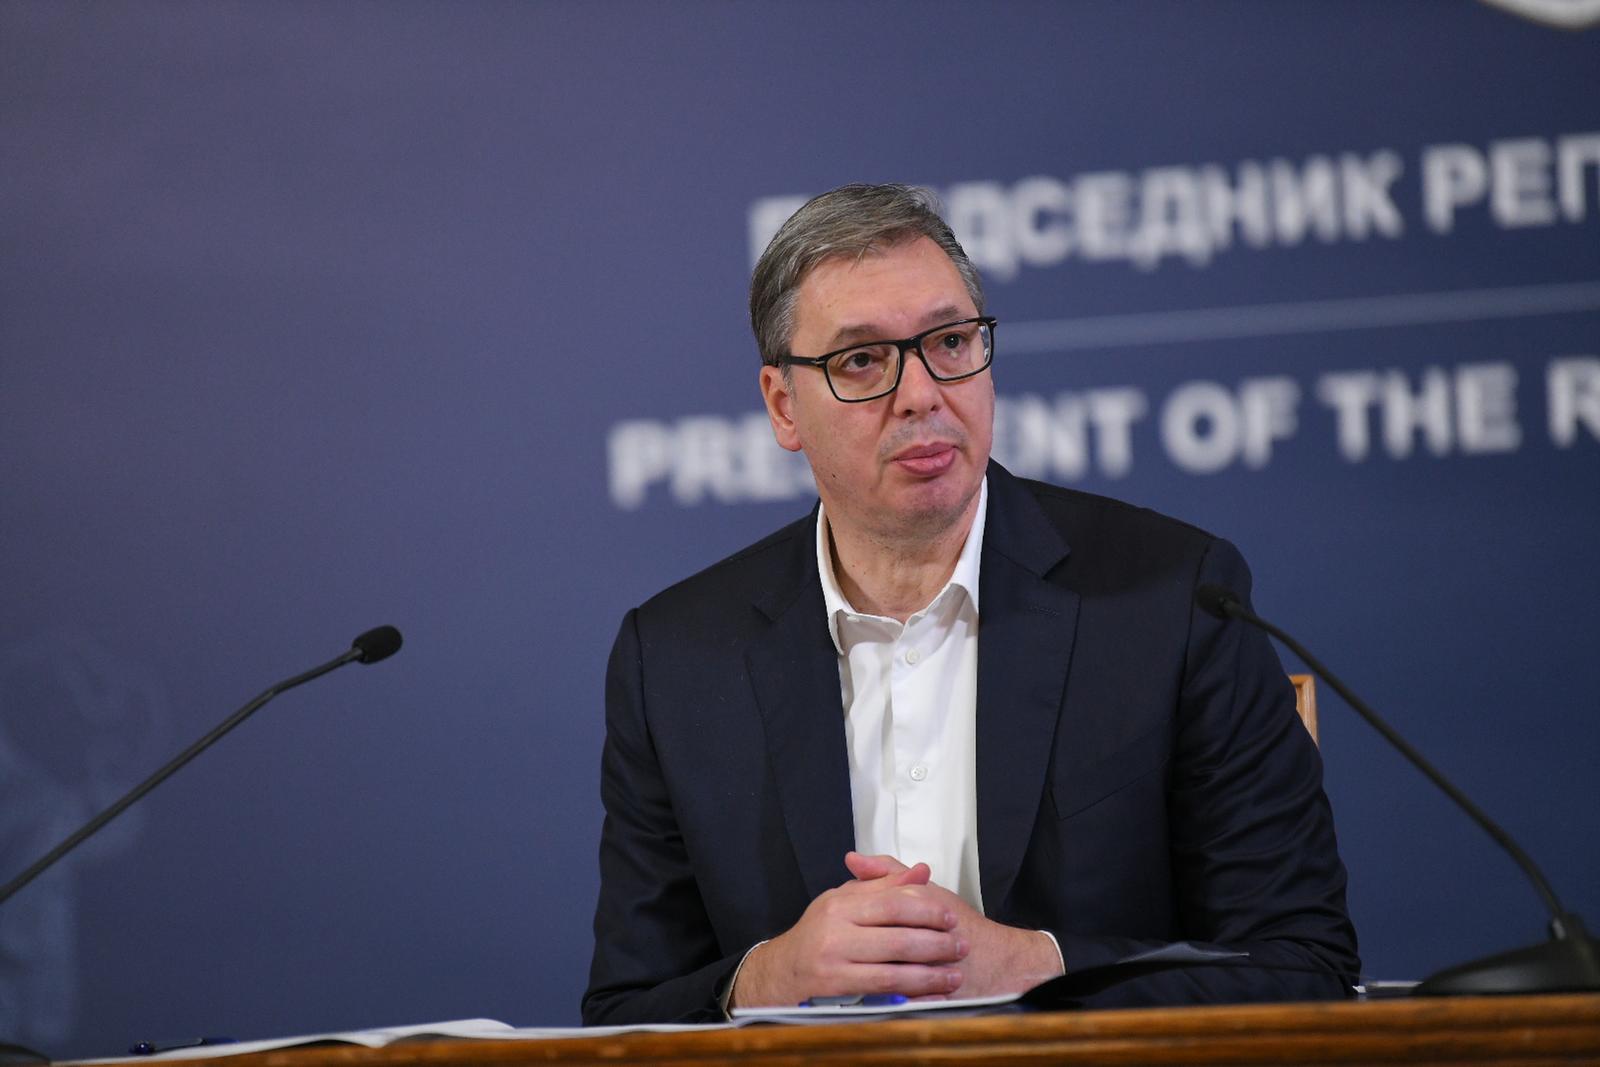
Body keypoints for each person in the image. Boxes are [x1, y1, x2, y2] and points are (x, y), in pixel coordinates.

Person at [583, 183, 1358, 1025]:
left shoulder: (1172, 600)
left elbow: (1302, 963)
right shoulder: (677, 659)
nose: (920, 392)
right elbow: (625, 1013)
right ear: (782, 405)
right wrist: (769, 977)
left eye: (950, 342)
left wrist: (1037, 965)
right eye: (862, 360)